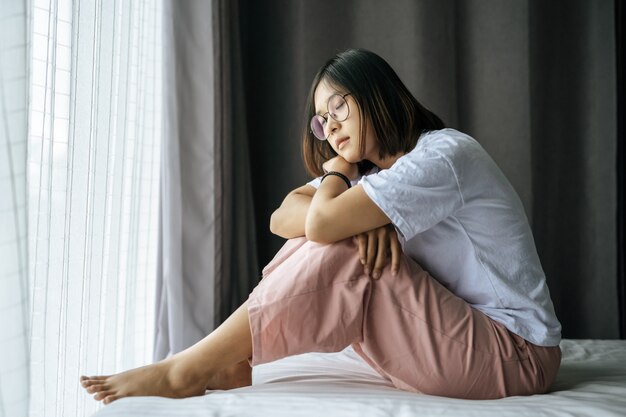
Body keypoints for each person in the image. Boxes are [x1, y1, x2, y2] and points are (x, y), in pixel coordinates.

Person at [80, 48, 562, 404]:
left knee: (342, 247)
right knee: (332, 235)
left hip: (514, 353)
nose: (328, 126)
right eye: (320, 120)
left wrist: (336, 190)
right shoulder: (373, 176)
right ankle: (224, 360)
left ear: (377, 93)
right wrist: (345, 198)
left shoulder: (444, 155)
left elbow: (323, 223)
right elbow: (283, 216)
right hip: (463, 338)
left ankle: (188, 367)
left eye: (339, 107)